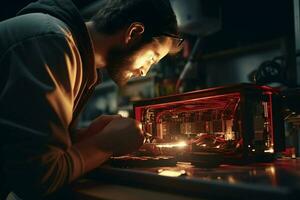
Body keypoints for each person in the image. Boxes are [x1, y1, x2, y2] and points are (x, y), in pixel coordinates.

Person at [0, 0, 181, 199]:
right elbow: (38, 177)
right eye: (151, 59)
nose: (144, 70)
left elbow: (17, 146)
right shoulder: (52, 43)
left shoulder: (70, 54)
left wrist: (85, 137)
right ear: (134, 33)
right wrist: (105, 144)